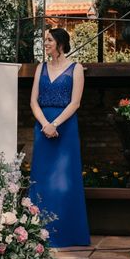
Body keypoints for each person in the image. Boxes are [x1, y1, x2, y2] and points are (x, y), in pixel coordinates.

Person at [29, 28, 90, 247]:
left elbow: (75, 103)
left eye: (49, 40)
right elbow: (33, 101)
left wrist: (55, 124)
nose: (45, 43)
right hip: (43, 125)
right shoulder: (40, 68)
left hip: (65, 127)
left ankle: (68, 234)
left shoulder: (76, 69)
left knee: (66, 179)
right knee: (41, 177)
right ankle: (38, 233)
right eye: (44, 39)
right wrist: (45, 123)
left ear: (61, 43)